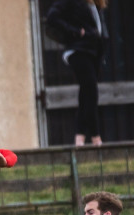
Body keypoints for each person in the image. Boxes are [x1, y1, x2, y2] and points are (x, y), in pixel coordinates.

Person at [46, 0, 109, 146]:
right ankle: (95, 137)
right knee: (91, 90)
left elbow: (99, 28)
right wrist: (75, 31)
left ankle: (79, 136)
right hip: (79, 50)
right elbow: (52, 17)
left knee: (86, 92)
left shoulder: (96, 3)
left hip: (94, 51)